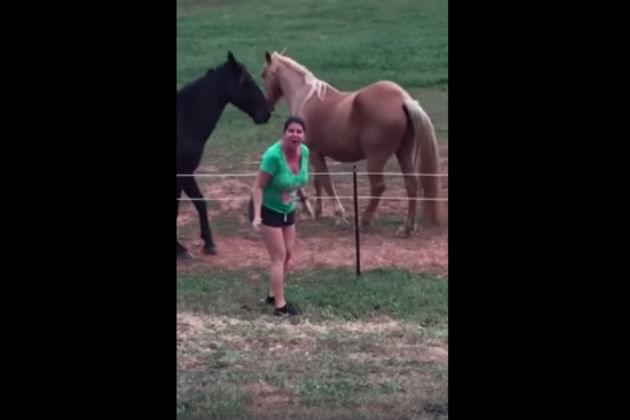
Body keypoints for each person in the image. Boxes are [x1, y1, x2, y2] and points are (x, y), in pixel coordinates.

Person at [251, 115, 309, 318]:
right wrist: (257, 216)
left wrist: (303, 199)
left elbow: (298, 180)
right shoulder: (272, 157)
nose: (295, 134)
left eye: (299, 131)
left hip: (288, 209)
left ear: (303, 135)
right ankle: (280, 307)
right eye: (291, 130)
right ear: (284, 133)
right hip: (269, 210)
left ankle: (271, 294)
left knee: (288, 254)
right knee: (279, 256)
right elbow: (258, 186)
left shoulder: (304, 152)